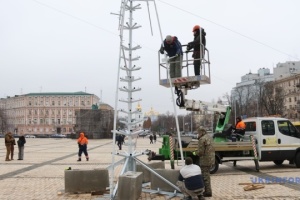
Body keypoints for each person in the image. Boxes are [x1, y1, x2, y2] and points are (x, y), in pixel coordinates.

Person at [197, 128, 214, 197]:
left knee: (205, 176)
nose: (198, 134)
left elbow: (201, 152)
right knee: (207, 175)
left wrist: (195, 153)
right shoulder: (209, 137)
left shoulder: (202, 139)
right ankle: (208, 190)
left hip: (205, 160)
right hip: (211, 159)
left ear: (201, 132)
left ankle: (208, 192)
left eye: (198, 132)